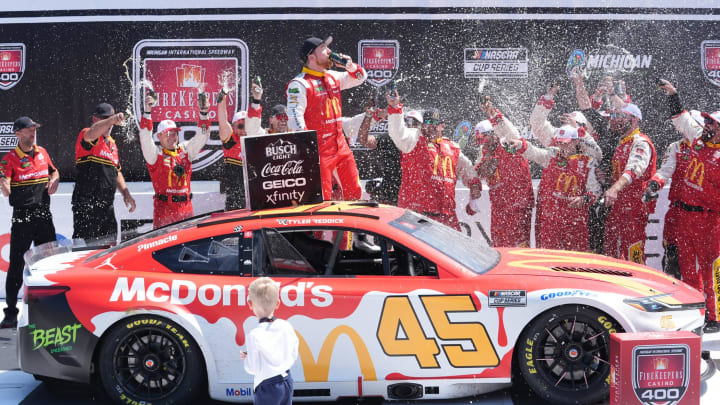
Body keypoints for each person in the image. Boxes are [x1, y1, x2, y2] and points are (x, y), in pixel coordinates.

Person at [653, 80, 720, 332]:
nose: (707, 125)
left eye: (712, 123)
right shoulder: (697, 141)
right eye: (707, 121)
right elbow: (681, 119)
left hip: (710, 221)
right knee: (688, 269)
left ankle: (715, 317)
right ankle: (696, 314)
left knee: (711, 271)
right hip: (685, 216)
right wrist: (673, 94)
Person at [573, 72, 656, 262]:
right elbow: (587, 108)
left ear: (634, 119)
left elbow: (634, 169)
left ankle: (638, 290)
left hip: (633, 209)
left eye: (620, 115)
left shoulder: (640, 141)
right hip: (616, 207)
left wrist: (613, 188)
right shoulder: (621, 142)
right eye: (615, 115)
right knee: (611, 255)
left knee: (633, 256)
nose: (614, 118)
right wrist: (606, 179)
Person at [386, 91, 482, 231]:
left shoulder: (452, 148)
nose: (431, 126)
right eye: (428, 122)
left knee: (455, 251)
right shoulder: (414, 140)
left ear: (442, 126)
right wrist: (395, 108)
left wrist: (474, 185)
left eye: (435, 123)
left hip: (446, 215)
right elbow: (397, 133)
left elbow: (467, 168)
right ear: (422, 125)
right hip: (417, 215)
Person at [286, 36, 366, 201]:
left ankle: (352, 228)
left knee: (355, 195)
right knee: (322, 201)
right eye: (323, 48)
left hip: (341, 147)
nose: (330, 51)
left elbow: (360, 77)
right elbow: (295, 120)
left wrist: (349, 66)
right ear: (311, 57)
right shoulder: (299, 84)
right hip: (319, 152)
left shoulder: (332, 76)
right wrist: (310, 151)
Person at [0, 117, 59, 328]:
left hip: (44, 216)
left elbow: (54, 171)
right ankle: (10, 313)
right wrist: (5, 185)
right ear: (18, 134)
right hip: (22, 218)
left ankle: (53, 310)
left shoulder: (42, 151)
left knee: (51, 263)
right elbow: (5, 183)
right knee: (16, 265)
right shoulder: (8, 159)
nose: (33, 132)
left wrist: (54, 180)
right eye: (28, 130)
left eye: (34, 128)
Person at [508, 124, 601, 251]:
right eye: (560, 143)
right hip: (550, 222)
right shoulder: (552, 155)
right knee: (550, 260)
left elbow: (595, 191)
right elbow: (535, 152)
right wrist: (521, 145)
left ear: (576, 142)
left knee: (576, 262)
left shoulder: (587, 162)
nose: (562, 147)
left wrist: (583, 199)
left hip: (575, 224)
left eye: (566, 143)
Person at [139, 93, 211, 228]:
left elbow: (203, 135)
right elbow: (144, 137)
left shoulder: (185, 150)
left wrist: (204, 114)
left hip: (185, 209)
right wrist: (147, 113)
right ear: (159, 136)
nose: (172, 137)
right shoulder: (155, 154)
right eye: (167, 134)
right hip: (164, 210)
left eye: (174, 133)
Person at [472, 98, 534, 247]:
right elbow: (476, 173)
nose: (483, 144)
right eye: (480, 142)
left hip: (517, 207)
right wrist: (475, 184)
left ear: (493, 134)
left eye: (485, 140)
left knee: (518, 251)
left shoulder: (509, 142)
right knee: (499, 249)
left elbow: (506, 129)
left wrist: (492, 112)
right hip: (499, 209)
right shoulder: (485, 152)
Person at [72, 103, 136, 242]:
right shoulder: (88, 134)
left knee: (110, 249)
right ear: (95, 119)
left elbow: (116, 171)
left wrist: (125, 192)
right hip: (87, 206)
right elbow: (91, 133)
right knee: (85, 252)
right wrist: (112, 119)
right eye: (105, 119)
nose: (110, 124)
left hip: (107, 207)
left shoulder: (113, 144)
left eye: (111, 120)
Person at [241, 277, 298, 404]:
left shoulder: (254, 335)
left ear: (250, 304)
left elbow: (252, 368)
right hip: (287, 380)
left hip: (267, 384)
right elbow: (293, 353)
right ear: (278, 303)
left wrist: (246, 359)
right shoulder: (286, 326)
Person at [217, 82, 263, 210]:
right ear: (233, 127)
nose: (244, 130)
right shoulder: (231, 141)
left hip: (257, 197)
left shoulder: (256, 138)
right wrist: (222, 100)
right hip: (236, 201)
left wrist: (257, 98)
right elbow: (222, 121)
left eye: (246, 125)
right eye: (240, 126)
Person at [355, 95, 403, 205]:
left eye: (414, 124)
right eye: (408, 123)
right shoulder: (389, 139)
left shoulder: (418, 143)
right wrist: (368, 116)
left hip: (410, 197)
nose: (411, 126)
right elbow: (363, 139)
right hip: (388, 196)